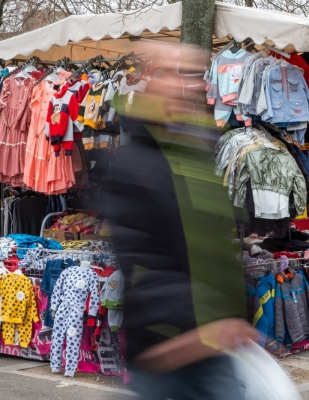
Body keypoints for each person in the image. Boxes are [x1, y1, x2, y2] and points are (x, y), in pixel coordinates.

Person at [100, 45, 258, 399]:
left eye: (195, 75)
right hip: (168, 345)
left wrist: (238, 313)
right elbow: (142, 264)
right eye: (179, 74)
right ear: (154, 85)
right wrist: (205, 325)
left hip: (212, 341)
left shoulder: (197, 151)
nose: (197, 85)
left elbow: (217, 244)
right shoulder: (133, 165)